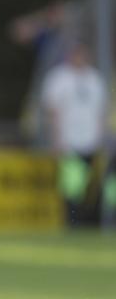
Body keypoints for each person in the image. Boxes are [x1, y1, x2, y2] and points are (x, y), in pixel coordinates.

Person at [41, 41, 108, 225]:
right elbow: (53, 112)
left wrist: (100, 138)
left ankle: (89, 222)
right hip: (68, 141)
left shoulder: (94, 79)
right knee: (71, 186)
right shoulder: (59, 78)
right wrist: (56, 140)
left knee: (90, 186)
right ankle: (72, 222)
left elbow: (101, 112)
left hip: (91, 141)